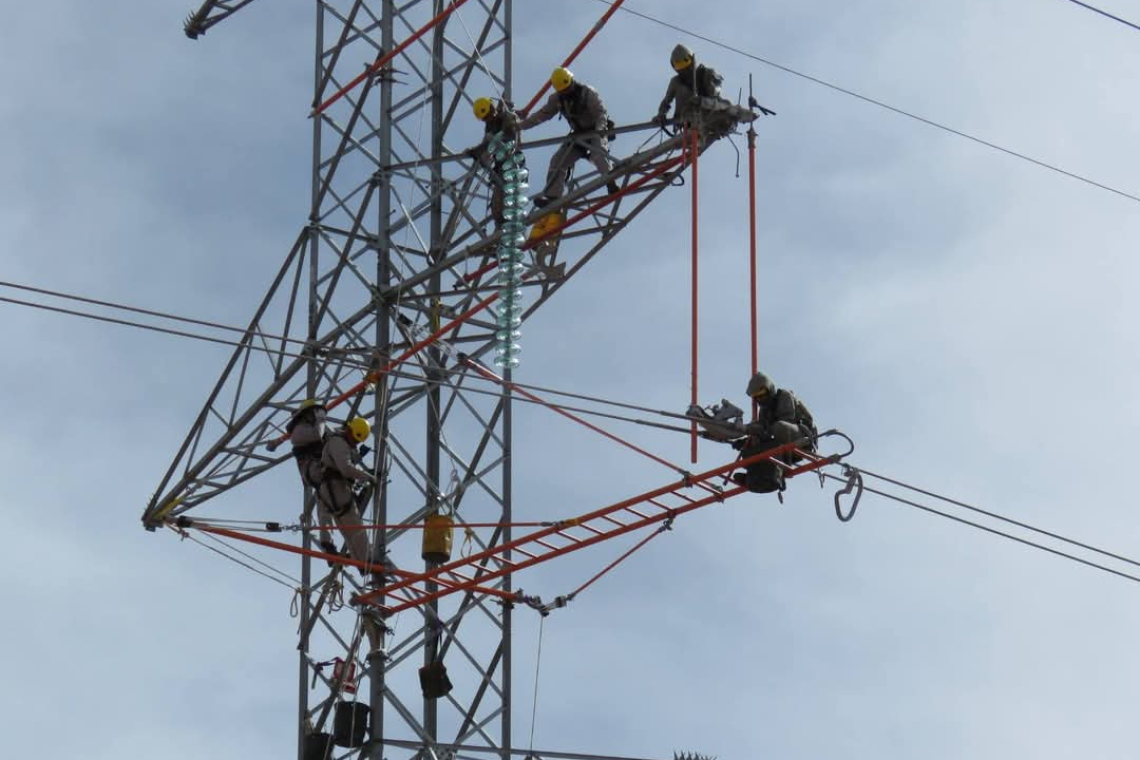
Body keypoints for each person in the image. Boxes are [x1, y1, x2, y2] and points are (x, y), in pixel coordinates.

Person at [519, 67, 619, 206]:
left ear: (571, 81)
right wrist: (519, 126)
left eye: (567, 89)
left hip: (595, 129)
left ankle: (611, 183)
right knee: (558, 161)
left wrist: (600, 131)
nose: (566, 92)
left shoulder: (587, 92)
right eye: (562, 91)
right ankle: (553, 197)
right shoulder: (557, 99)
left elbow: (600, 114)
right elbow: (541, 116)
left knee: (598, 152)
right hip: (578, 135)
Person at [731, 372, 817, 494]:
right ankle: (757, 475)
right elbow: (761, 428)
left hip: (802, 438)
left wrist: (762, 432)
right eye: (757, 397)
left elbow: (786, 421)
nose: (760, 399)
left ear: (769, 389)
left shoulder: (784, 396)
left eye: (762, 395)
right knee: (754, 443)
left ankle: (779, 470)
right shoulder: (764, 410)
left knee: (778, 427)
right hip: (783, 443)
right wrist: (746, 438)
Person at [315, 416, 377, 572]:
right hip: (335, 488)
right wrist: (369, 477)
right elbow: (346, 468)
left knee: (343, 524)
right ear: (349, 430)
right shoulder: (338, 442)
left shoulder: (341, 443)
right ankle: (366, 561)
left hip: (330, 488)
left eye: (357, 441)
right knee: (354, 525)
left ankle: (353, 558)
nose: (355, 443)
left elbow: (344, 464)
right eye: (354, 439)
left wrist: (359, 459)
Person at [467, 96, 522, 224]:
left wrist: (477, 150)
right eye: (485, 118)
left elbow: (505, 136)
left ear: (492, 109)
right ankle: (501, 234)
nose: (488, 119)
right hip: (501, 168)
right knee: (497, 208)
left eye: (489, 115)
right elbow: (488, 147)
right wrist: (477, 152)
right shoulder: (490, 127)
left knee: (510, 203)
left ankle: (510, 232)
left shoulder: (505, 118)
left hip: (512, 163)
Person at [655, 43, 724, 128]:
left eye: (685, 65)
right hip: (686, 120)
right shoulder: (676, 81)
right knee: (682, 89)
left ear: (692, 62)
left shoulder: (707, 74)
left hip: (708, 115)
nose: (684, 70)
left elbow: (715, 100)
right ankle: (685, 119)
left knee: (726, 106)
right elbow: (666, 101)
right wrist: (661, 114)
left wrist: (701, 101)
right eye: (680, 67)